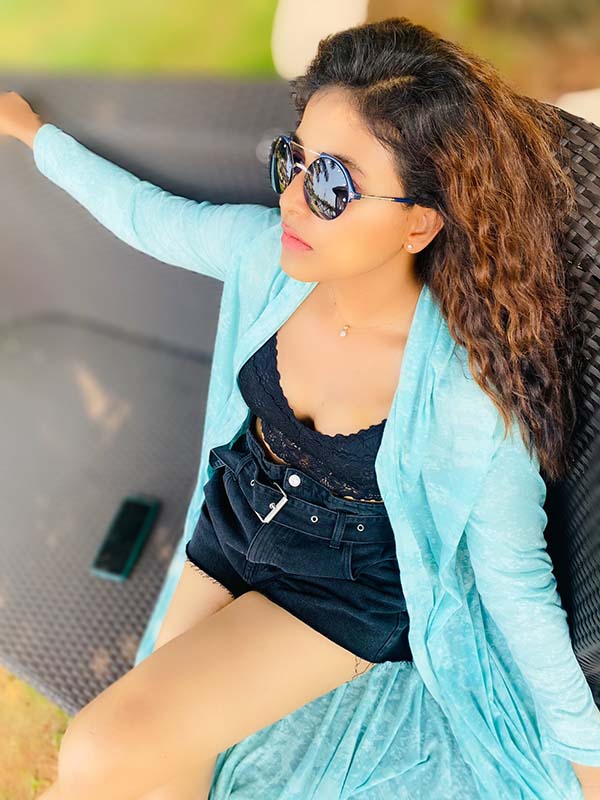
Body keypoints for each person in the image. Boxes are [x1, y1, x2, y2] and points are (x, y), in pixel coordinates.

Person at [4, 15, 600, 800]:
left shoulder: (466, 392)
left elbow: (516, 583)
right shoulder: (265, 259)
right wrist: (34, 136)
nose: (292, 199)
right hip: (227, 531)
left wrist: (589, 760)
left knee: (99, 749)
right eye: (294, 160)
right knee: (145, 766)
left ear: (420, 221)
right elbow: (147, 217)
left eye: (333, 186)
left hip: (339, 593)